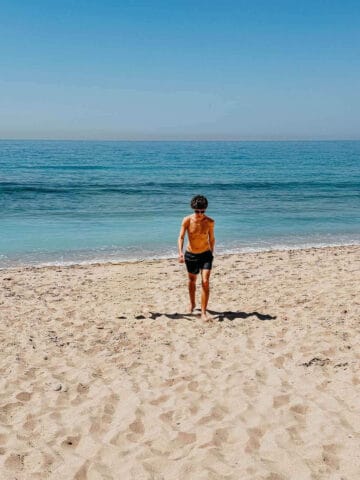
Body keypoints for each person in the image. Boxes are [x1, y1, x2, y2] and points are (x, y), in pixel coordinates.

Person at [178, 195, 215, 322]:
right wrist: (180, 253)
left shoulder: (210, 222)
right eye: (197, 211)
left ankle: (203, 312)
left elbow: (212, 238)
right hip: (191, 255)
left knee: (205, 281)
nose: (200, 214)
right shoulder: (187, 220)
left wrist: (212, 253)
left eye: (202, 211)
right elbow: (181, 237)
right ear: (193, 209)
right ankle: (192, 303)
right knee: (192, 281)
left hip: (206, 254)